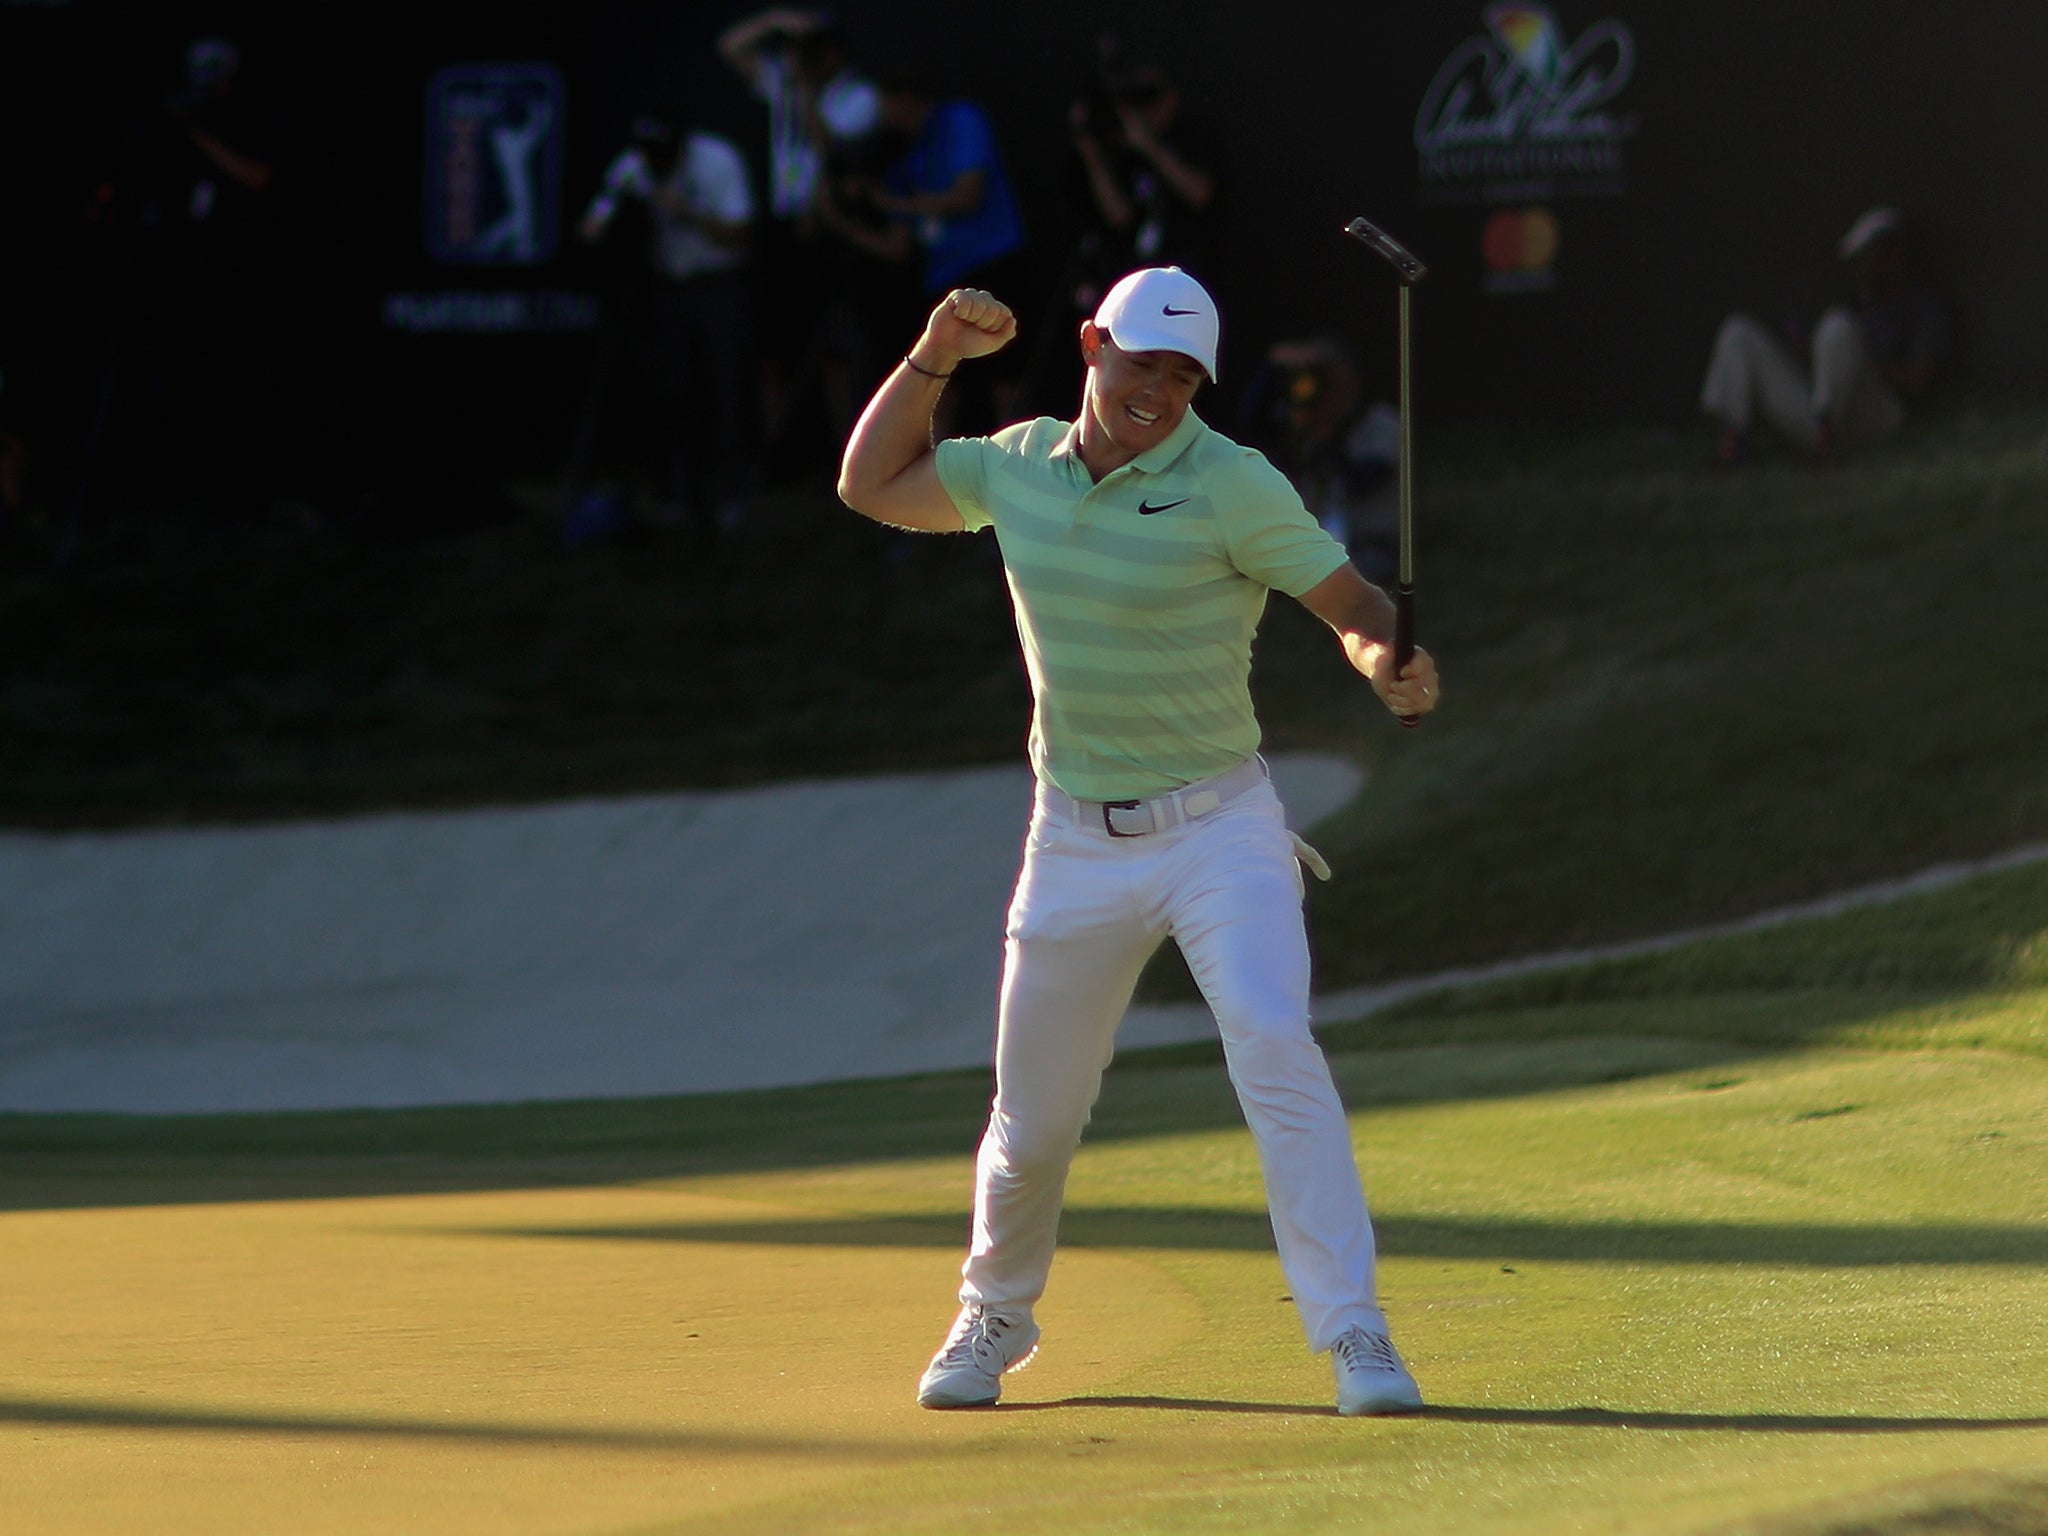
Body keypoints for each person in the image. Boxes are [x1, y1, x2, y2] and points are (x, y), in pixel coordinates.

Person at [836, 267, 1441, 1416]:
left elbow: (1354, 608)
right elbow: (869, 485)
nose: (1153, 393)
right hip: (1071, 838)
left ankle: (1354, 1333)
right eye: (1136, 364)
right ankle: (996, 1314)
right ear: (1089, 346)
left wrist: (1388, 667)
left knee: (1273, 1045)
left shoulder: (1231, 482)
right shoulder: (1013, 466)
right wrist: (932, 355)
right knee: (1033, 1114)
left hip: (1218, 829)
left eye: (1179, 374)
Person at [574, 116, 756, 542]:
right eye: (650, 155)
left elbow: (741, 235)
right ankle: (678, 495)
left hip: (719, 283)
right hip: (666, 285)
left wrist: (687, 213)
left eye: (665, 155)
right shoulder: (631, 168)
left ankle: (734, 496)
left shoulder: (718, 162)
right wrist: (597, 226)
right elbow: (602, 209)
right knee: (673, 390)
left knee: (726, 388)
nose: (657, 163)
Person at [1700, 206, 1952, 463]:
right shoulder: (1858, 307)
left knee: (1837, 326)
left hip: (1878, 415)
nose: (1860, 269)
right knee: (1738, 331)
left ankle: (1825, 442)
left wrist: (1861, 363)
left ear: (1895, 257)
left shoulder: (1923, 308)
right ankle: (1733, 445)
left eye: (1868, 258)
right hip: (1826, 420)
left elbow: (1917, 381)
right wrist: (1809, 353)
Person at [1237, 335, 1401, 584]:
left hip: (1369, 543)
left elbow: (1361, 483)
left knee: (1358, 575)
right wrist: (1272, 368)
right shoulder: (1302, 425)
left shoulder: (1382, 423)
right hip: (1310, 545)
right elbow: (1247, 431)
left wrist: (1327, 435)